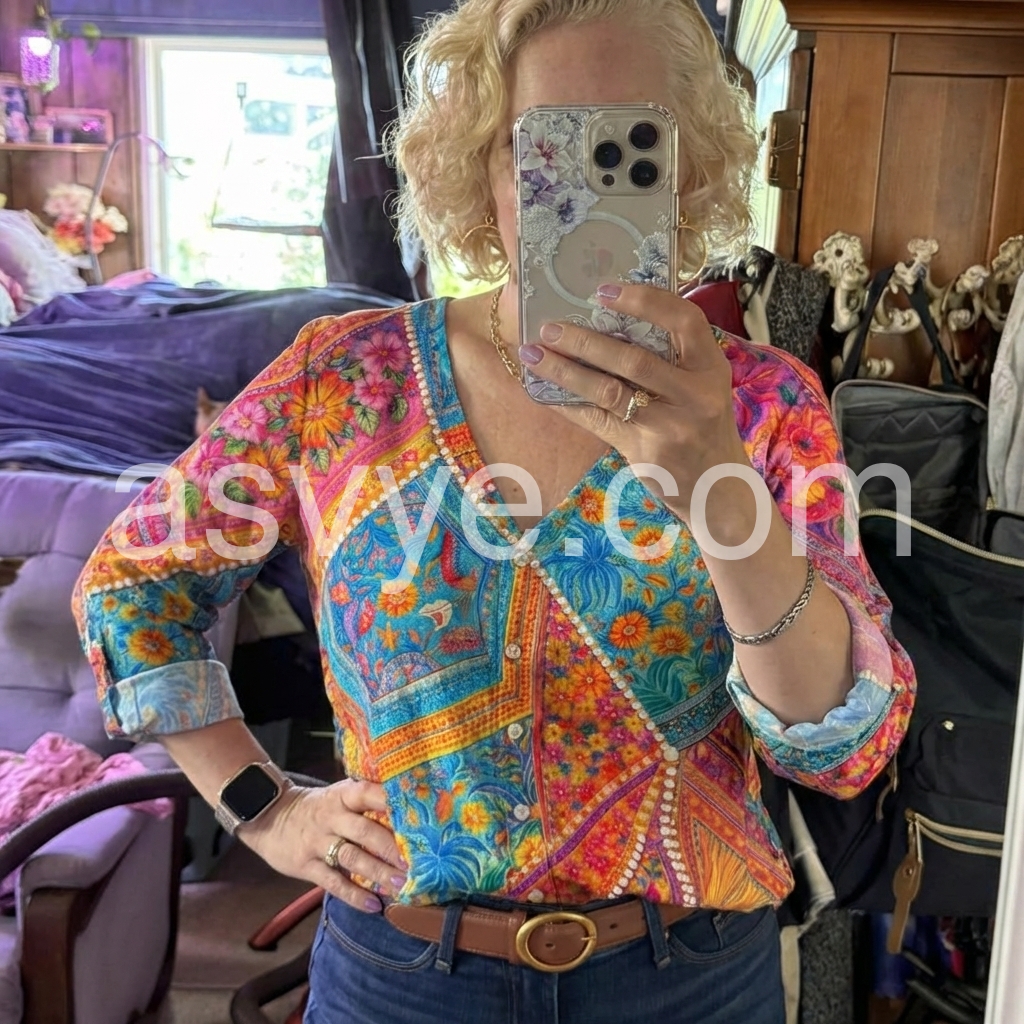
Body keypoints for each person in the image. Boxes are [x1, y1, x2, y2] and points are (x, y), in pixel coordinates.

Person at [74, 2, 915, 1021]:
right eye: (543, 146)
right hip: (399, 979)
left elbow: (838, 745)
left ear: (688, 169)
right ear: (478, 162)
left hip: (690, 982)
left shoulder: (765, 405)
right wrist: (263, 807)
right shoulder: (343, 383)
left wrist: (714, 482)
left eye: (628, 144)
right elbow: (136, 586)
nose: (581, 187)